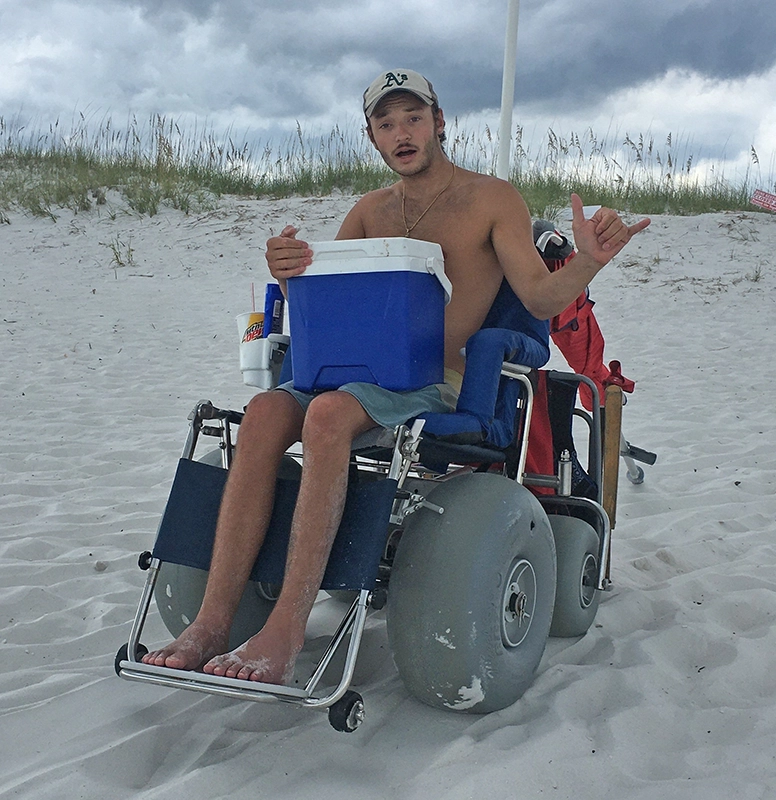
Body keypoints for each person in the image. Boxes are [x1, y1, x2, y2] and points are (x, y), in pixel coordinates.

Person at [142, 68, 650, 683]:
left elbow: (541, 300)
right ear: (373, 137)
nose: (401, 132)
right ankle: (212, 621)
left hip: (442, 379)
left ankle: (286, 628)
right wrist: (288, 274)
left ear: (439, 122)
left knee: (328, 414)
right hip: (360, 372)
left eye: (413, 117)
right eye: (386, 123)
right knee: (265, 412)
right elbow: (329, 305)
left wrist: (589, 262)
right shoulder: (368, 211)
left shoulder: (492, 198)